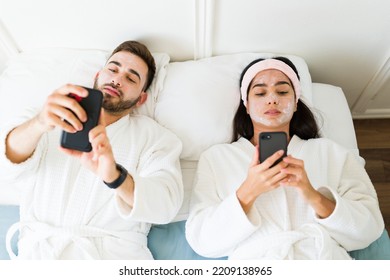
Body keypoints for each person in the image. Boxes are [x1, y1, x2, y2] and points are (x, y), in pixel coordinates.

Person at [185, 57, 384, 259]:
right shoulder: (217, 158)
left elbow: (369, 228)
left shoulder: (331, 152)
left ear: (296, 103)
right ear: (246, 105)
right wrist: (248, 192)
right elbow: (202, 241)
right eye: (260, 93)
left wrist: (312, 195)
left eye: (282, 92)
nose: (272, 99)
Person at [0, 40, 183, 259]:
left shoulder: (156, 139)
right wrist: (39, 123)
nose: (117, 79)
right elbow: (6, 167)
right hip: (40, 256)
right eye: (113, 69)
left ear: (141, 99)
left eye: (131, 78)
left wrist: (115, 177)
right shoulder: (49, 113)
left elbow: (166, 206)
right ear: (97, 76)